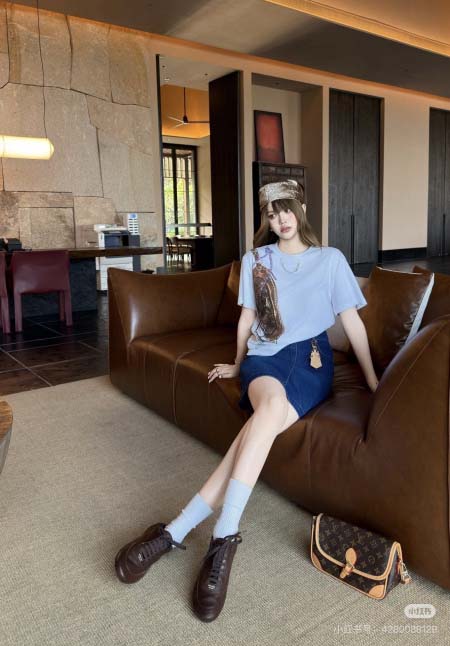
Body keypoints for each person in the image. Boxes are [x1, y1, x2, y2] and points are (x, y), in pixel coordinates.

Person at [114, 179, 379, 623]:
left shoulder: (330, 259)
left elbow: (352, 324)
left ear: (301, 208)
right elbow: (247, 319)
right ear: (266, 220)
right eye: (272, 214)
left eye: (287, 209)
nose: (281, 219)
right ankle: (224, 534)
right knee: (269, 409)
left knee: (261, 423)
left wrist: (372, 380)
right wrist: (239, 365)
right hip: (264, 358)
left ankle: (176, 531)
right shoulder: (257, 260)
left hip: (311, 362)